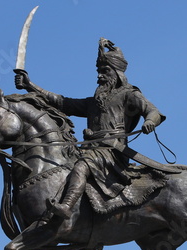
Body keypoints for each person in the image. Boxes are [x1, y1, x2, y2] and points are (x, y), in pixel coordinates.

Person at [15, 38, 165, 219]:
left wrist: (150, 121)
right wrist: (30, 85)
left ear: (117, 73)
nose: (100, 76)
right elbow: (62, 102)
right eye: (99, 71)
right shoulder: (93, 102)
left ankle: (67, 207)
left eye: (105, 71)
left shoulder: (129, 94)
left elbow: (153, 111)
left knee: (81, 167)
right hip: (90, 149)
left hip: (112, 151)